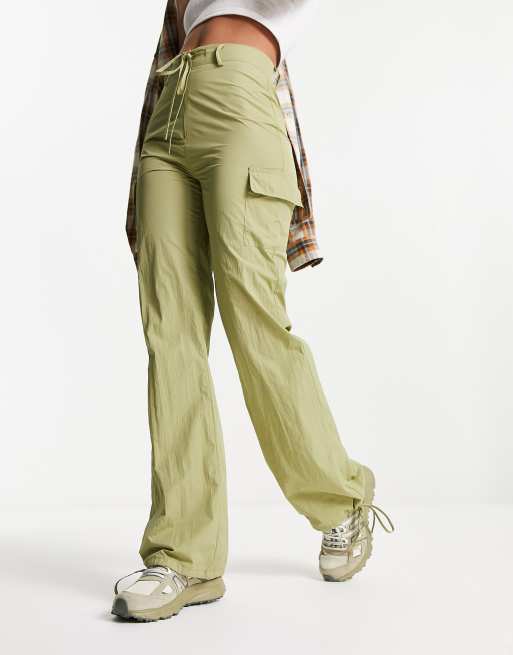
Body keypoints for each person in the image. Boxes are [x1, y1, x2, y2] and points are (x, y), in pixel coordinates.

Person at [112, 0, 394, 622]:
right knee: (170, 336)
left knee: (254, 326)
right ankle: (184, 556)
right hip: (170, 106)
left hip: (240, 97)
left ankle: (343, 498)